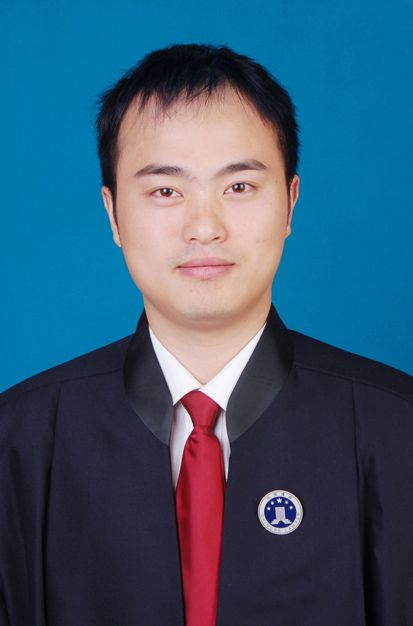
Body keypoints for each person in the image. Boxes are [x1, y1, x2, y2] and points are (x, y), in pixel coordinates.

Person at [0, 43, 412, 626]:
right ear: (113, 215)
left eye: (238, 187)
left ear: (290, 203)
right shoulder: (18, 441)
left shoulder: (396, 430)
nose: (204, 227)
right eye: (165, 191)